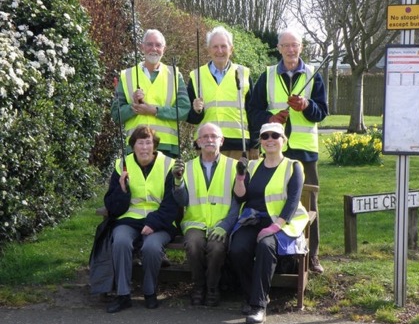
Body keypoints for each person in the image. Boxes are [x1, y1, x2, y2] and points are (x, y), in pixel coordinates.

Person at [248, 28, 328, 274]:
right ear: (279, 48)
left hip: (304, 151)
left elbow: (322, 112)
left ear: (301, 47)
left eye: (295, 45)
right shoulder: (268, 75)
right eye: (286, 46)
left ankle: (311, 255)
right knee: (273, 201)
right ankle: (279, 253)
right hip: (274, 150)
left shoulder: (314, 75)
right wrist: (271, 117)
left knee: (308, 203)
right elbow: (253, 112)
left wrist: (306, 105)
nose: (291, 50)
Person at [229, 122, 310, 324]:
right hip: (253, 219)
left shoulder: (293, 166)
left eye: (275, 135)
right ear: (261, 142)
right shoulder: (254, 165)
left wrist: (274, 227)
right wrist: (240, 176)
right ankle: (253, 294)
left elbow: (292, 201)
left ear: (284, 140)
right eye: (265, 136)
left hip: (281, 222)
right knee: (237, 248)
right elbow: (240, 197)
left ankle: (258, 306)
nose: (270, 139)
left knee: (266, 246)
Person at [100, 125, 179, 313]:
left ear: (155, 145)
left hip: (160, 221)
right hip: (129, 218)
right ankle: (123, 295)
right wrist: (122, 189)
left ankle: (150, 292)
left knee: (151, 247)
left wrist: (154, 223)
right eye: (140, 143)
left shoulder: (169, 165)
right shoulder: (122, 165)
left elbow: (173, 204)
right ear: (133, 146)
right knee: (120, 241)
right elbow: (112, 206)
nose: (144, 147)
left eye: (148, 143)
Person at [172, 123, 239, 306]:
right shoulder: (187, 167)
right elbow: (182, 201)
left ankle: (212, 288)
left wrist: (225, 226)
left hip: (222, 222)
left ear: (221, 141)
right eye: (205, 137)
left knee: (217, 248)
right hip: (195, 222)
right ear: (198, 142)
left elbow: (238, 202)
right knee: (194, 245)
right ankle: (198, 286)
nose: (209, 140)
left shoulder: (234, 166)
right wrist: (178, 181)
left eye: (214, 136)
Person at [111, 29, 191, 158]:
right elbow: (116, 114)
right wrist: (133, 107)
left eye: (158, 45)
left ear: (164, 49)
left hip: (167, 147)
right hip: (136, 146)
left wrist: (154, 110)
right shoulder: (126, 76)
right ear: (142, 47)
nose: (154, 48)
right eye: (149, 44)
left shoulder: (175, 75)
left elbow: (184, 110)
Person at [186, 26, 257, 160]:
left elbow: (253, 112)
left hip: (238, 146)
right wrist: (196, 111)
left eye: (224, 46)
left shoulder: (243, 74)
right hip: (206, 144)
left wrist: (254, 144)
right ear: (208, 50)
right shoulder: (196, 76)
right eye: (215, 47)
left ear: (231, 49)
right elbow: (190, 118)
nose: (220, 51)